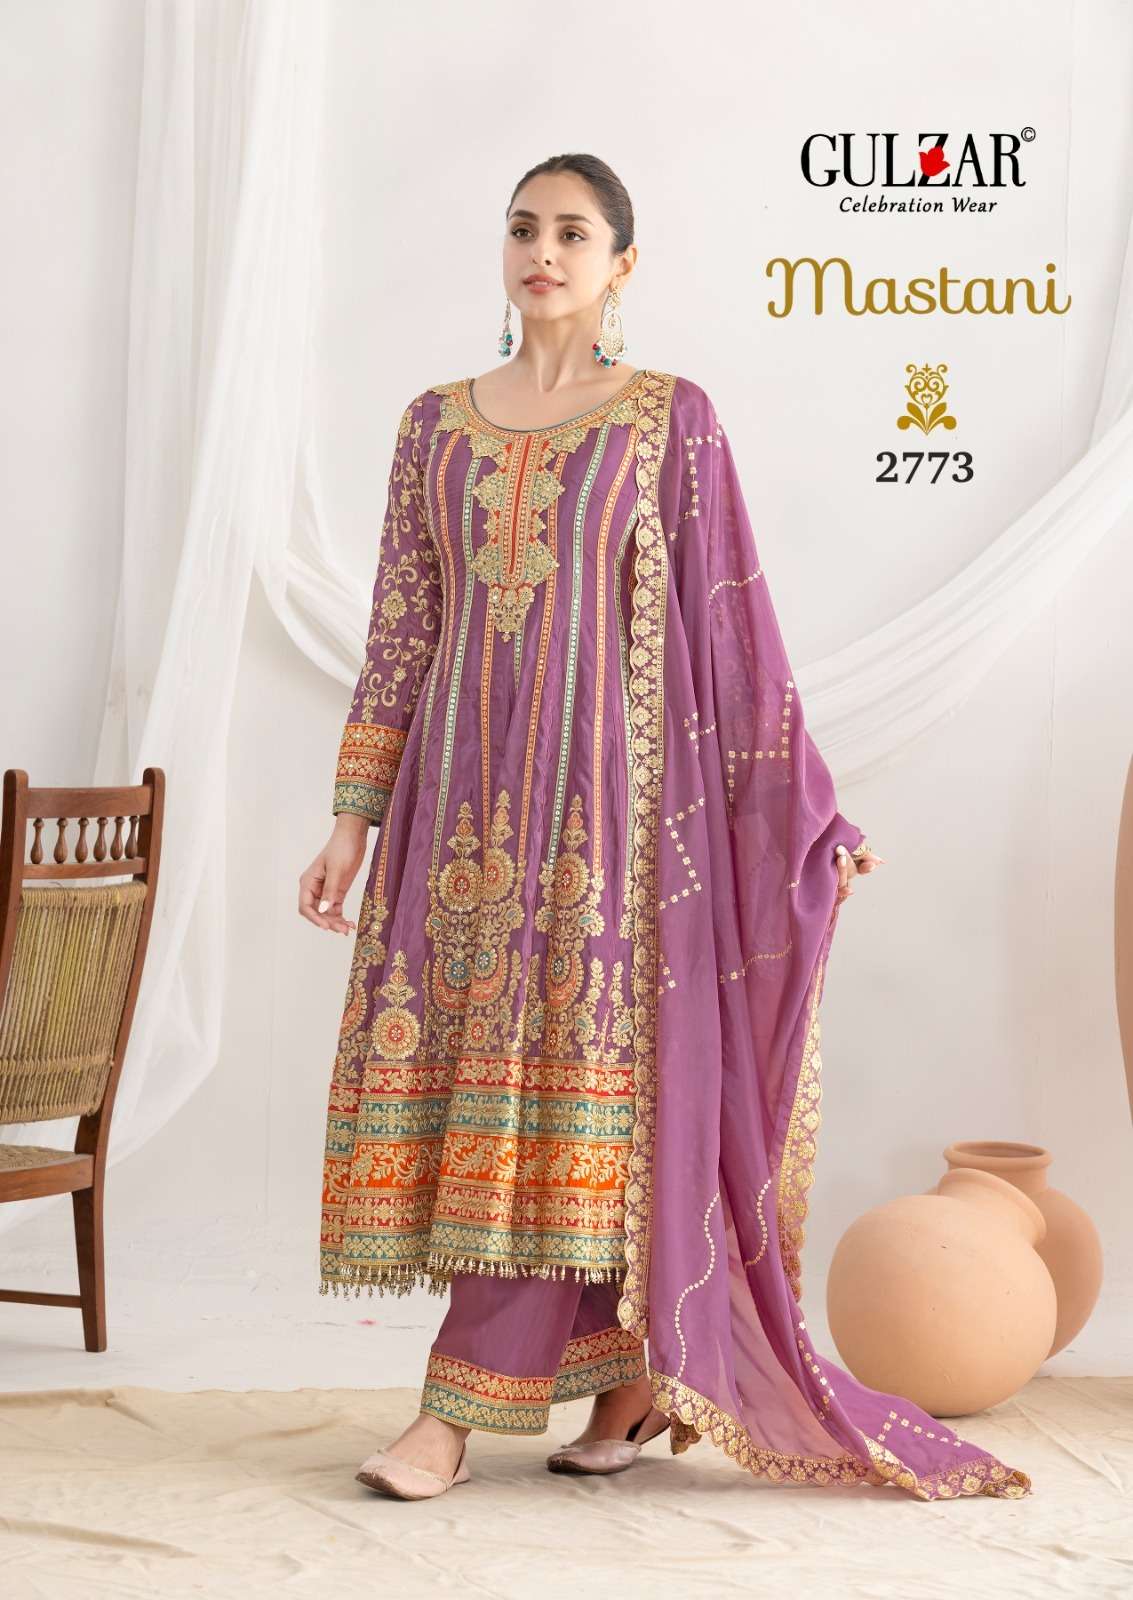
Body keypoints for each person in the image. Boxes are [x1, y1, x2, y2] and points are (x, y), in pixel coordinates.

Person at [299, 153, 1032, 1504]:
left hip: (607, 831)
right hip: (454, 816)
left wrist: (810, 812)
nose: (543, 251)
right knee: (494, 1097)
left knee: (567, 1105)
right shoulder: (433, 427)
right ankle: (631, 1378)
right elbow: (401, 625)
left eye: (573, 233)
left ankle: (450, 1415)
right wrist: (352, 817)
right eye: (523, 227)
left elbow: (732, 627)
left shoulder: (665, 420)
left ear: (621, 263)